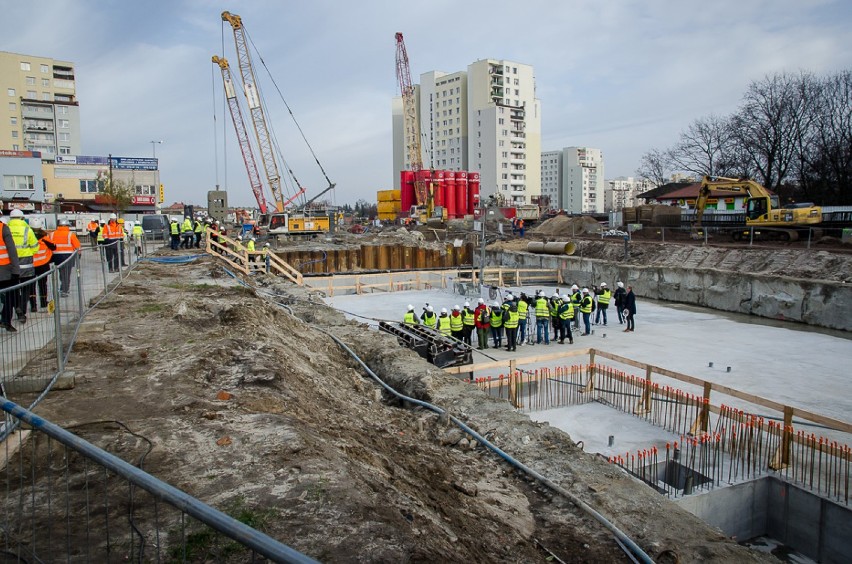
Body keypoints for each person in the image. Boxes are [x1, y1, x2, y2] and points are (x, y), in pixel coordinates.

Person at [7, 210, 38, 324]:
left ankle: (15, 308)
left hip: (11, 263)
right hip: (26, 262)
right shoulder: (27, 230)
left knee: (14, 287)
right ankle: (22, 310)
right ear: (22, 218)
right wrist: (29, 252)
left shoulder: (6, 229)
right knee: (26, 288)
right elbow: (35, 246)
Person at [45, 219, 81, 296]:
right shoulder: (70, 234)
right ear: (66, 226)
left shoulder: (52, 234)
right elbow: (77, 246)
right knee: (67, 274)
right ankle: (65, 290)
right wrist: (79, 255)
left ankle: (62, 288)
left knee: (61, 273)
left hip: (56, 256)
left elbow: (48, 245)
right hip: (68, 256)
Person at [0, 214, 22, 332]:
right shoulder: (3, 228)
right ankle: (6, 321)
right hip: (4, 271)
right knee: (9, 296)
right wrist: (16, 270)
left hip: (4, 270)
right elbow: (12, 250)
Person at [30, 222, 54, 311]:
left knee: (31, 286)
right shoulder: (44, 238)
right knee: (43, 285)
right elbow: (54, 247)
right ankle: (43, 302)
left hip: (31, 265)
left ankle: (33, 306)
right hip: (43, 265)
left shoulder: (28, 237)